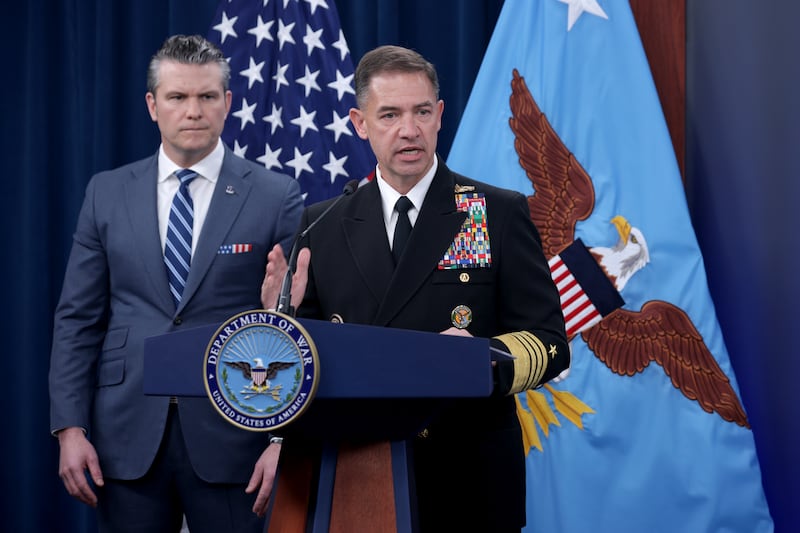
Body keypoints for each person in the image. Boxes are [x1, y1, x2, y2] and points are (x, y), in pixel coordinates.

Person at [261, 45, 570, 532]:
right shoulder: (318, 226)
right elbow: (306, 365)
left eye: (422, 111)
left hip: (469, 473)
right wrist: (280, 321)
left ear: (440, 115)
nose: (409, 130)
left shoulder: (496, 212)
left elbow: (552, 345)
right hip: (358, 472)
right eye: (389, 114)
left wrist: (479, 358)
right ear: (359, 123)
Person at [49, 34, 303, 533]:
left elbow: (297, 327)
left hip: (235, 438)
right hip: (124, 437)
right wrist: (69, 428)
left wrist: (282, 441)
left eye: (207, 97)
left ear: (228, 103)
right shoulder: (106, 193)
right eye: (177, 97)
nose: (193, 110)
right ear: (152, 105)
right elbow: (77, 320)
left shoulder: (277, 196)